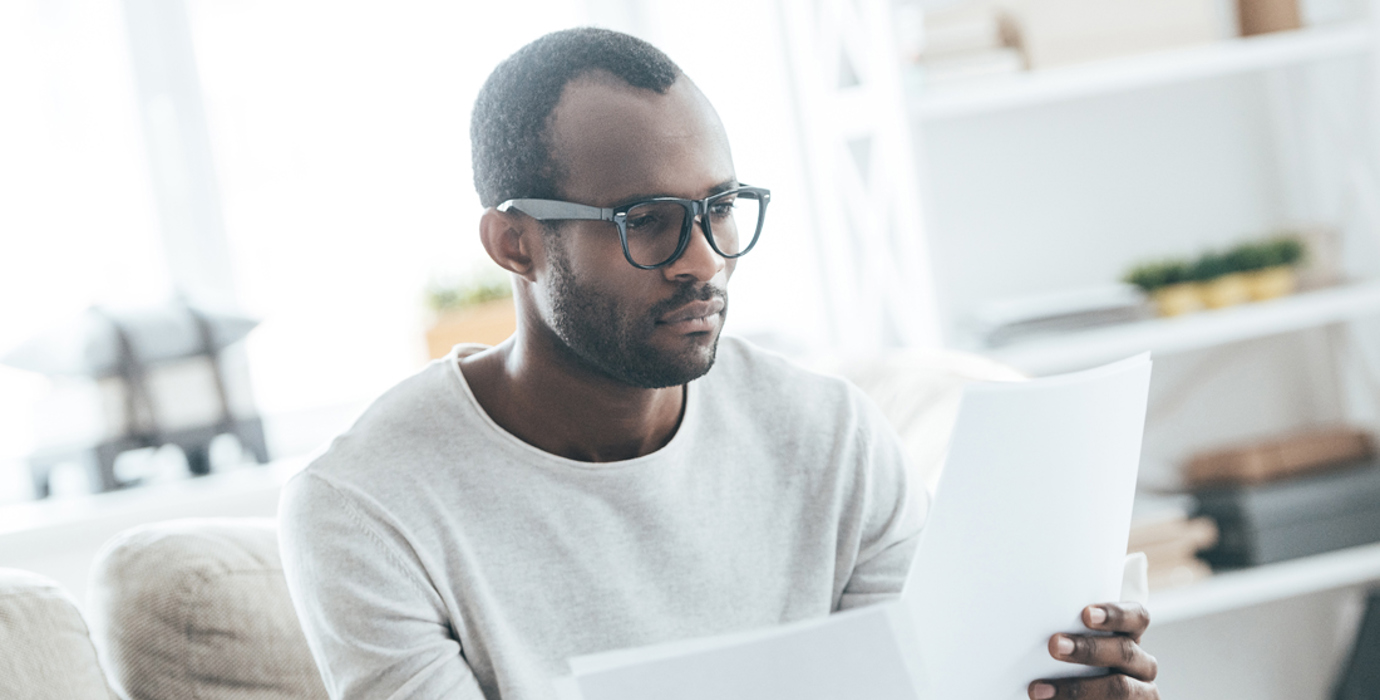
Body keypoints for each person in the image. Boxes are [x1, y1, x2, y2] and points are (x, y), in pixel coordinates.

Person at [278, 27, 1159, 700]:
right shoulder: (364, 509)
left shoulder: (832, 436)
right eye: (646, 221)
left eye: (720, 208)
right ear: (514, 242)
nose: (704, 258)